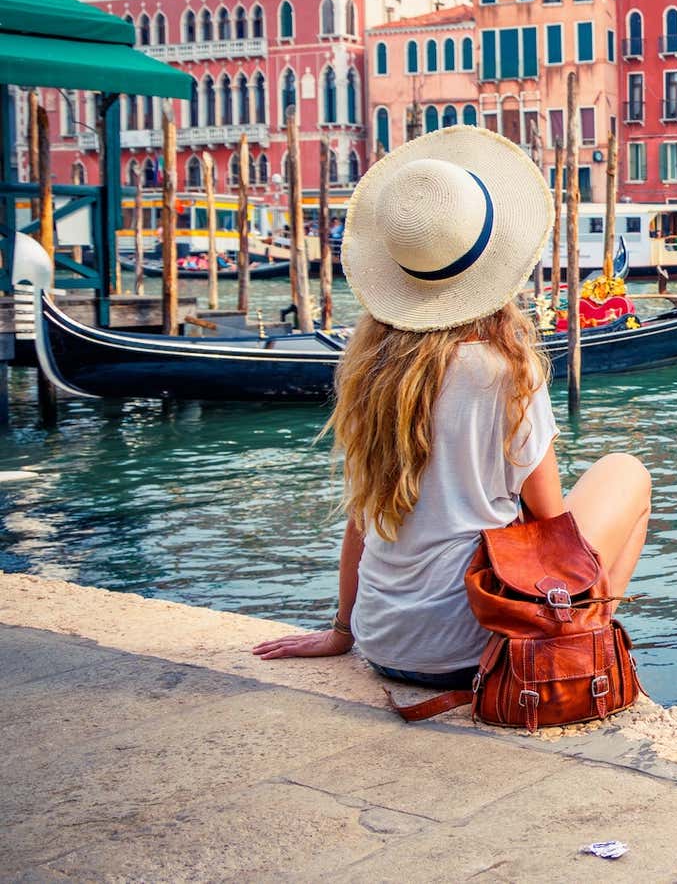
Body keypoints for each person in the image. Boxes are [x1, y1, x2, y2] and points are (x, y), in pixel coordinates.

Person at [253, 127, 651, 688]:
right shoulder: (508, 371)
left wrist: (342, 630)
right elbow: (548, 520)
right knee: (626, 474)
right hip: (478, 647)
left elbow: (360, 520)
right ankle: (574, 643)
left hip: (384, 643)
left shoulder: (369, 369)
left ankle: (571, 640)